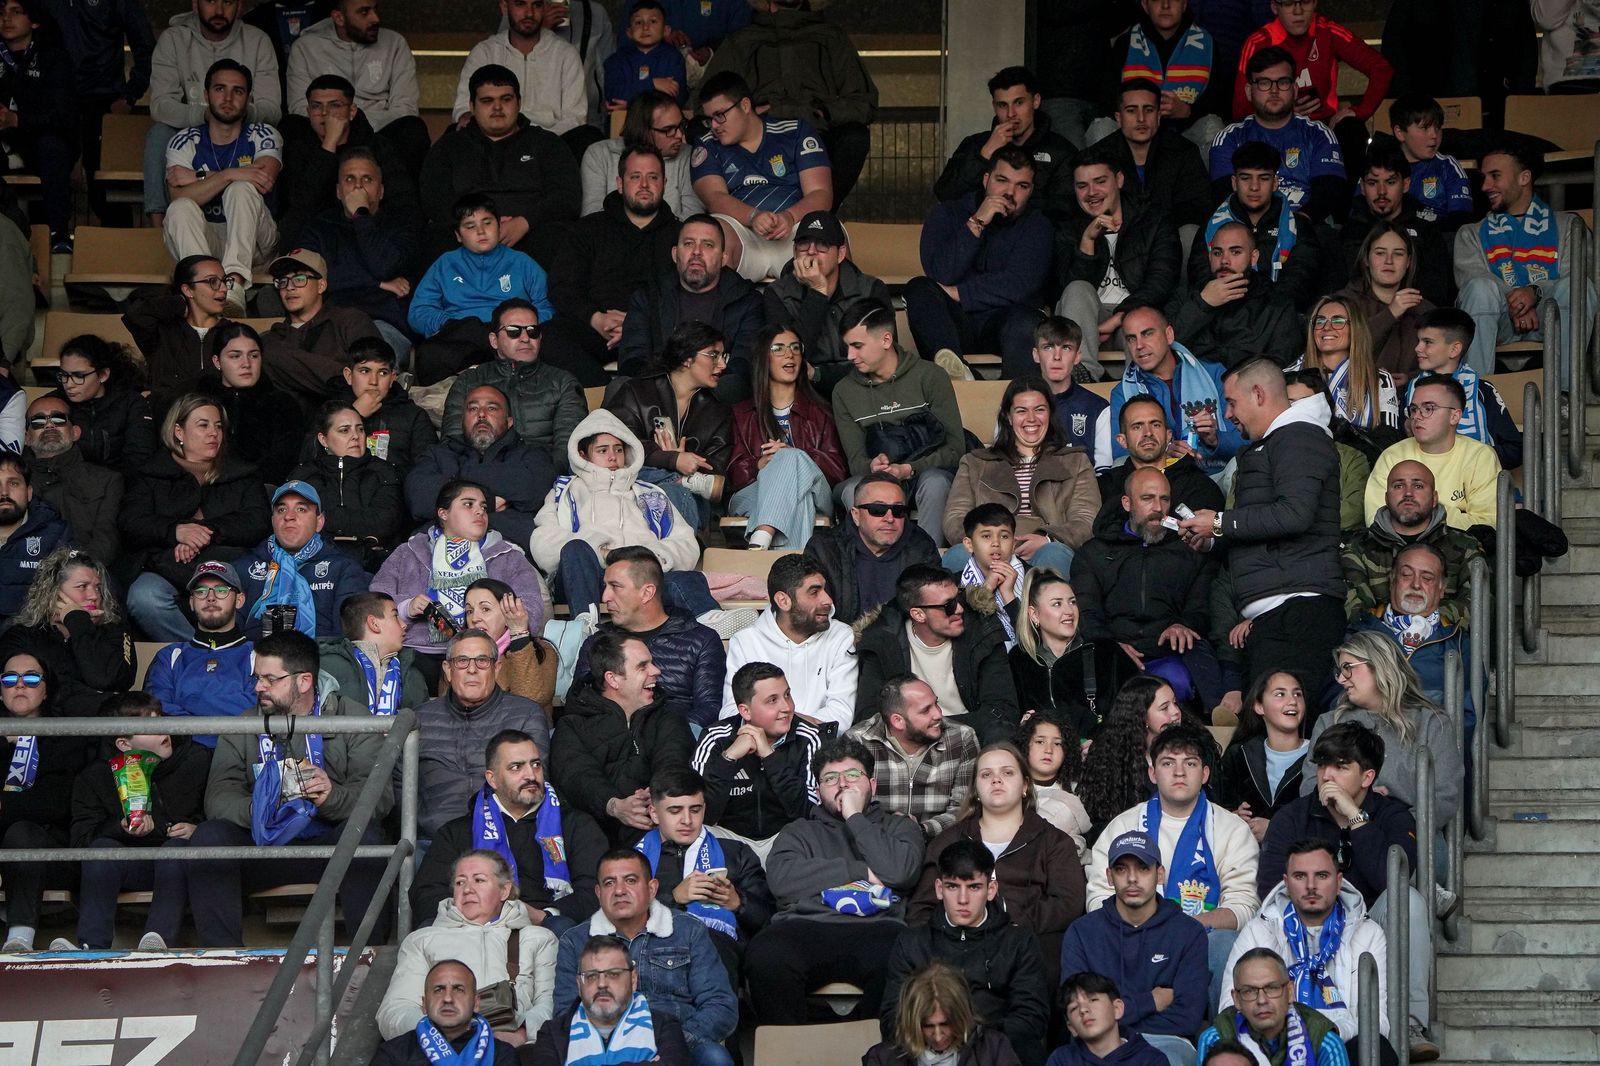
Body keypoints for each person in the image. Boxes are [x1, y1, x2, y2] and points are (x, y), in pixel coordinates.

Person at [182, 630, 391, 947]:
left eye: (270, 679)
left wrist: (331, 796)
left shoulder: (350, 716)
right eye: (257, 678)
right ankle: (224, 960)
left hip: (328, 844)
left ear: (304, 681)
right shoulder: (245, 722)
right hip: (263, 847)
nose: (258, 687)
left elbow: (381, 798)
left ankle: (368, 956)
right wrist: (257, 808)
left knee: (368, 837)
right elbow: (218, 797)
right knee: (209, 836)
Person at [1257, 722, 1436, 1060]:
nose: (1327, 775)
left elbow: (1390, 881)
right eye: (1323, 765)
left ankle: (1410, 1023)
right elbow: (1271, 887)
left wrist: (1356, 818)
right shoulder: (1292, 817)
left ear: (1367, 777)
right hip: (1306, 927)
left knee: (1409, 901)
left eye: (1340, 767)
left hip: (1369, 932)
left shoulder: (1393, 815)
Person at [1177, 358, 1344, 707]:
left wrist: (1221, 522)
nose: (1226, 414)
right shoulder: (1279, 441)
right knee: (1270, 728)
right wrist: (1212, 539)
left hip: (1298, 612)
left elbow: (1295, 515)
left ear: (1258, 394)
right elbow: (1265, 527)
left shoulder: (1299, 436)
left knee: (1283, 730)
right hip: (1277, 614)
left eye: (1232, 402)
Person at [745, 735, 926, 1025]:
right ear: (818, 791)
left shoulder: (899, 827)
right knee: (765, 955)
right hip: (806, 926)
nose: (843, 784)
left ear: (872, 785)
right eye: (831, 778)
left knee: (906, 955)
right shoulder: (798, 832)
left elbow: (901, 871)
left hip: (878, 928)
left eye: (853, 775)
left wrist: (855, 816)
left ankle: (878, 1055)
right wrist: (861, 873)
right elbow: (782, 880)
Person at [1087, 724, 1261, 1001]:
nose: (1179, 772)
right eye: (1168, 763)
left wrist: (1184, 929)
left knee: (1226, 943)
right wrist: (1144, 928)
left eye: (1190, 763)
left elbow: (1244, 906)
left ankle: (1222, 1039)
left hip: (1202, 939)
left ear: (1205, 774)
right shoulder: (1124, 825)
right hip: (1133, 937)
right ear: (1152, 773)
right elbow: (1099, 898)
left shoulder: (1232, 829)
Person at [911, 744, 1086, 981]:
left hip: (1027, 945)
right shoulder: (948, 841)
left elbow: (1068, 903)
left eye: (1007, 772)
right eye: (986, 775)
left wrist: (1010, 922)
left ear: (1025, 785)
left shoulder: (1054, 842)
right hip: (958, 946)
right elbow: (921, 909)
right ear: (976, 789)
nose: (996, 780)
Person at [553, 849, 739, 1066]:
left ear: (652, 889)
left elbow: (720, 1005)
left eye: (630, 880)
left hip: (682, 1041)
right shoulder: (576, 941)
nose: (620, 890)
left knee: (715, 1057)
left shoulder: (688, 931)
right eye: (609, 883)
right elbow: (565, 1014)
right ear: (598, 892)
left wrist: (674, 1043)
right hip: (605, 1048)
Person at [412, 729, 605, 933]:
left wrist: (546, 915)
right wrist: (475, 913)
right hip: (472, 930)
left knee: (567, 928)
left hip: (547, 927)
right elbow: (426, 893)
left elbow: (597, 890)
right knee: (428, 931)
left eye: (536, 764)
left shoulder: (576, 824)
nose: (531, 775)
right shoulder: (457, 832)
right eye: (516, 767)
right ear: (492, 779)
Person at [120, 394, 271, 642]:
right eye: (203, 425)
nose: (214, 433)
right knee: (144, 597)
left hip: (231, 564)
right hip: (166, 565)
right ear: (178, 431)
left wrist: (201, 532)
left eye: (218, 426)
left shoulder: (243, 473)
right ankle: (200, 651)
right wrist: (175, 531)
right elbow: (131, 522)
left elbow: (257, 521)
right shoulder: (150, 474)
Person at [529, 412, 707, 622]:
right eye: (602, 450)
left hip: (639, 579)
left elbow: (686, 543)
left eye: (619, 449)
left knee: (688, 579)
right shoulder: (564, 492)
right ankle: (587, 626)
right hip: (587, 580)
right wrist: (601, 552)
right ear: (583, 455)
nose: (613, 457)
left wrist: (647, 558)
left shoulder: (650, 493)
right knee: (574, 549)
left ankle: (711, 619)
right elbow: (543, 543)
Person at [66, 693, 210, 952]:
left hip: (179, 865)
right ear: (123, 743)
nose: (162, 730)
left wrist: (197, 829)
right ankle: (91, 947)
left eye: (160, 720)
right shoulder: (96, 776)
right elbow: (81, 840)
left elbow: (220, 819)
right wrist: (119, 827)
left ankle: (157, 942)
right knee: (102, 852)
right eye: (148, 727)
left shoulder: (197, 759)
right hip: (130, 866)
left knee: (175, 850)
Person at [892, 838, 1053, 1066]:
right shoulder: (912, 943)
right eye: (952, 886)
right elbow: (892, 1019)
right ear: (939, 889)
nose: (963, 899)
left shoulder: (1018, 942)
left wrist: (970, 1042)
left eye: (974, 887)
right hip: (926, 1053)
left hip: (997, 1056)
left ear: (991, 889)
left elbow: (1031, 1019)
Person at [1074, 467, 1221, 710]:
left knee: (1184, 680)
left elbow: (1202, 607)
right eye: (1147, 498)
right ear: (1126, 503)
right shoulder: (1094, 553)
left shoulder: (1189, 553)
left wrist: (1185, 625)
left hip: (1169, 655)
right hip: (1112, 656)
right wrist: (1110, 646)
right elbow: (1086, 612)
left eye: (1164, 499)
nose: (1157, 507)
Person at [1060, 829, 1211, 1066]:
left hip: (1166, 1042)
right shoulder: (1082, 932)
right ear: (1109, 877)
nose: (1132, 878)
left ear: (1159, 874)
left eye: (1143, 868)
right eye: (1121, 869)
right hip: (1095, 1046)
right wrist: (1150, 1001)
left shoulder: (1189, 932)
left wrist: (1108, 1017)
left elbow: (1187, 1017)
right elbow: (1077, 1012)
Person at [1222, 841, 1390, 1054]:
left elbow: (1378, 1023)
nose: (1311, 885)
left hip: (1342, 1041)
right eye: (1300, 876)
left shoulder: (1368, 933)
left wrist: (1327, 1032)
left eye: (1322, 875)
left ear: (1339, 882)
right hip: (1273, 1044)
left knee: (1379, 1049)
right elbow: (1230, 1007)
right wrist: (1285, 1034)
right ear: (1286, 883)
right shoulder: (1258, 931)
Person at [698, 5, 874, 208]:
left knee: (855, 137)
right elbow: (705, 101)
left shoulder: (830, 37)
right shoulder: (742, 40)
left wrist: (824, 111)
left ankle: (820, 217)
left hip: (817, 133)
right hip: (755, 137)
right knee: (700, 129)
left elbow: (864, 101)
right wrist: (745, 112)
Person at [369, 479, 546, 679]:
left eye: (483, 507)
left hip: (489, 658)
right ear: (443, 513)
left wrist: (493, 619)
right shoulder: (408, 552)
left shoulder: (508, 556)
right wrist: (406, 608)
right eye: (468, 504)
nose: (479, 511)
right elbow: (375, 603)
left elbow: (532, 609)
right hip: (415, 653)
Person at [378, 849, 557, 1047]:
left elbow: (550, 1003)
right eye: (460, 882)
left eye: (479, 880)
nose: (467, 889)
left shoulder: (538, 938)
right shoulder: (422, 940)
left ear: (504, 890)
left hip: (515, 1049)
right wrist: (440, 1036)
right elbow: (395, 1010)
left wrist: (523, 1034)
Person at [905, 147, 1052, 379]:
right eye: (1002, 180)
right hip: (955, 323)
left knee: (1028, 322)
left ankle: (1013, 402)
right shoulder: (947, 213)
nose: (1009, 192)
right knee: (918, 288)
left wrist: (959, 292)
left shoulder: (1038, 225)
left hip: (1006, 322)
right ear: (986, 179)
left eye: (1021, 186)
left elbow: (1019, 284)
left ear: (1031, 190)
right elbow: (941, 272)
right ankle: (955, 373)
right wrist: (977, 222)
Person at [1455, 140, 1594, 380]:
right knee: (1479, 289)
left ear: (1524, 177)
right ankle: (1475, 398)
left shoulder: (1570, 226)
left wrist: (1535, 292)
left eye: (1495, 176)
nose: (1486, 186)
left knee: (1578, 287)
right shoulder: (1470, 233)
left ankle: (1565, 398)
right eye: (1484, 177)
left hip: (1551, 316)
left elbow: (1577, 277)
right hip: (1498, 320)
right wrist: (1520, 298)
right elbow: (1474, 279)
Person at [548, 144, 681, 388]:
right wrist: (594, 318)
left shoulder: (680, 235)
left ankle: (631, 401)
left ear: (664, 183)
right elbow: (561, 285)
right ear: (620, 183)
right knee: (547, 337)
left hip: (654, 332)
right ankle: (607, 399)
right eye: (635, 177)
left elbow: (685, 294)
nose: (644, 185)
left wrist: (639, 324)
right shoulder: (589, 229)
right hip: (597, 328)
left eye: (652, 177)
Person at [421, 64, 581, 267]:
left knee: (562, 237)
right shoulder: (449, 147)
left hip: (532, 236)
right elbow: (433, 200)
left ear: (519, 103)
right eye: (487, 101)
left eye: (506, 99)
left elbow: (568, 197)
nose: (497, 107)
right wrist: (480, 226)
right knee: (434, 236)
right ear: (471, 106)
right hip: (468, 237)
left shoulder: (547, 143)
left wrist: (524, 222)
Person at [832, 301, 964, 545]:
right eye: (847, 346)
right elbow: (854, 461)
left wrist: (909, 469)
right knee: (853, 490)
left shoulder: (930, 376)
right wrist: (871, 466)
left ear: (885, 340)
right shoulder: (844, 391)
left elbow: (955, 449)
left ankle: (926, 567)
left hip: (925, 475)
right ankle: (865, 568)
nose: (850, 356)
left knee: (935, 483)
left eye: (857, 346)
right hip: (877, 481)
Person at [1305, 631, 1462, 831]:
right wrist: (1351, 821)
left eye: (1348, 668)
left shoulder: (1431, 723)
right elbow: (1310, 787)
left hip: (1412, 834)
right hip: (1339, 829)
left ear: (1379, 665)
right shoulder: (1329, 722)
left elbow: (1445, 797)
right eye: (1339, 671)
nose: (1341, 680)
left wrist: (1394, 828)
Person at [162, 59, 282, 316]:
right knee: (180, 208)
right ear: (206, 94)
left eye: (237, 91)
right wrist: (230, 173)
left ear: (248, 98)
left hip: (256, 241)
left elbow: (262, 179)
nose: (228, 97)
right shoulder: (184, 140)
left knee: (241, 189)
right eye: (220, 89)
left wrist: (200, 176)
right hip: (206, 239)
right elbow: (178, 195)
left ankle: (234, 285)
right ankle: (205, 289)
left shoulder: (263, 133)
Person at [551, 633, 696, 845]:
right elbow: (576, 775)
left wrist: (653, 796)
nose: (657, 671)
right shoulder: (572, 725)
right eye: (642, 666)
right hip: (592, 839)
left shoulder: (669, 718)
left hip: (657, 831)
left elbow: (673, 761)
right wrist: (614, 805)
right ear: (613, 679)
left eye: (652, 663)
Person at [143, 0, 281, 224]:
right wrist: (204, 115)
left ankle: (268, 225)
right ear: (195, 4)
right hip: (190, 131)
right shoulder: (174, 39)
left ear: (239, 6)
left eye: (227, 2)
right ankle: (158, 229)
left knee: (274, 133)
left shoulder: (258, 40)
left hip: (240, 127)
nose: (218, 10)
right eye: (210, 1)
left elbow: (272, 109)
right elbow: (160, 106)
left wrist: (233, 112)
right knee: (159, 134)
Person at [945, 376, 1101, 574]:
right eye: (1021, 411)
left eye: (1039, 410)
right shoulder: (975, 462)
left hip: (1045, 549)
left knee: (1054, 554)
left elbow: (1086, 520)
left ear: (1050, 414)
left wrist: (1047, 538)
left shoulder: (1076, 461)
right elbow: (954, 519)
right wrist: (991, 542)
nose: (1031, 419)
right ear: (1008, 417)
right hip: (988, 550)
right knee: (958, 555)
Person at [855, 564, 1021, 747]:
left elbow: (1003, 710)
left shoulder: (982, 630)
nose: (959, 609)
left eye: (959, 598)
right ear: (918, 614)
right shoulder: (883, 641)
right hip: (907, 749)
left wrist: (929, 728)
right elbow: (868, 716)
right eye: (948, 606)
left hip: (972, 741)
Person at [634, 767, 775, 979]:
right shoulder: (631, 860)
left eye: (695, 809)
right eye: (675, 811)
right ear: (654, 813)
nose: (687, 820)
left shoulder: (736, 853)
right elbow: (614, 919)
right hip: (650, 955)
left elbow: (770, 920)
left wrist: (739, 903)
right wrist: (674, 898)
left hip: (718, 955)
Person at [1055, 148, 1181, 382]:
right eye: (1082, 186)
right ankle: (1082, 376)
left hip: (1133, 315)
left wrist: (1121, 316)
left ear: (1119, 180)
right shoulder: (1068, 227)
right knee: (1077, 289)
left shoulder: (1153, 220)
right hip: (1087, 323)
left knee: (1140, 320)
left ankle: (1142, 391)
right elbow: (1066, 288)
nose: (1091, 192)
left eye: (1100, 181)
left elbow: (1161, 282)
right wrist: (1088, 241)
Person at [572, 548, 730, 734]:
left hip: (677, 743)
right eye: (605, 587)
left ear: (647, 593)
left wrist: (660, 735)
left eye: (615, 586)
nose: (605, 597)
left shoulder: (701, 640)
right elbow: (580, 705)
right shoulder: (597, 643)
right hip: (610, 744)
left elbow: (710, 708)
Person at [408, 194, 557, 387]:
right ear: (458, 235)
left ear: (498, 225)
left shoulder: (520, 261)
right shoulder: (445, 264)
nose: (481, 231)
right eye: (470, 226)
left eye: (487, 223)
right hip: (461, 337)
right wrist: (451, 324)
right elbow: (418, 311)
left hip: (511, 337)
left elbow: (548, 305)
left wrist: (521, 327)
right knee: (429, 354)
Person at [1231, 0, 1392, 176]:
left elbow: (1381, 68)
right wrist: (1280, 110)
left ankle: (1347, 200)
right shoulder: (1259, 42)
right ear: (1274, 7)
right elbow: (1239, 110)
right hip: (1272, 126)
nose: (1298, 10)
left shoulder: (1327, 31)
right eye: (1288, 3)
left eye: (1305, 2)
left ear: (1315, 3)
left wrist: (1361, 111)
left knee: (1352, 130)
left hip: (1324, 124)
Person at [0, 654, 95, 952]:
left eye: (30, 678)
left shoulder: (65, 737)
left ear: (45, 689)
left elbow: (54, 806)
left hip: (50, 850)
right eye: (9, 679)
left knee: (22, 833)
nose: (19, 685)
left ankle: (19, 939)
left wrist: (6, 807)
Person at [416, 629, 551, 838]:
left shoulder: (526, 715)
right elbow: (401, 788)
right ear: (448, 670)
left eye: (482, 661)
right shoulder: (420, 719)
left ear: (496, 668)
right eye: (462, 661)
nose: (472, 669)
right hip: (432, 840)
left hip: (507, 840)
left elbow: (533, 785)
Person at [725, 323, 847, 550]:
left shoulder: (820, 412)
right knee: (799, 504)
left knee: (790, 459)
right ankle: (790, 573)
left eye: (795, 348)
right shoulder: (742, 413)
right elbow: (731, 472)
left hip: (815, 490)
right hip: (754, 491)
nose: (789, 354)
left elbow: (837, 470)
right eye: (778, 348)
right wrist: (758, 464)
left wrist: (795, 457)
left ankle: (761, 537)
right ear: (763, 358)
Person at [617, 213, 761, 398]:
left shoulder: (746, 300)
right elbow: (632, 361)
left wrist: (697, 396)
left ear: (724, 258)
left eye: (708, 245)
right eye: (688, 243)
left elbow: (743, 367)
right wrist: (674, 390)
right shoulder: (649, 296)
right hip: (657, 398)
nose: (696, 252)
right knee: (619, 387)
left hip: (717, 402)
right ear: (675, 254)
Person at [606, 320, 733, 528]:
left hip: (690, 500)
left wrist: (682, 463)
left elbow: (718, 473)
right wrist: (671, 459)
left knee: (676, 491)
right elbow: (618, 446)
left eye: (723, 356)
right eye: (713, 355)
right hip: (632, 488)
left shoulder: (718, 412)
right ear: (686, 359)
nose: (723, 365)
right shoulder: (636, 392)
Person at [293, 146, 418, 359]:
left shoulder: (401, 225)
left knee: (371, 362)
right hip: (329, 321)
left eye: (367, 179)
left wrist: (361, 216)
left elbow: (384, 265)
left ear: (381, 190)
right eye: (350, 179)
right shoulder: (319, 227)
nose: (358, 186)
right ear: (338, 191)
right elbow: (306, 279)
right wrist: (377, 283)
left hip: (382, 322)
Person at [441, 298, 587, 474]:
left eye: (533, 331)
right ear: (494, 340)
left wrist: (531, 483)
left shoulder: (563, 382)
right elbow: (452, 445)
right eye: (513, 331)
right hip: (478, 480)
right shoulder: (469, 381)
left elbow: (568, 450)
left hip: (543, 482)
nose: (525, 338)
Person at [276, 73, 419, 253]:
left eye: (335, 105)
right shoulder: (299, 148)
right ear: (308, 112)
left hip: (368, 227)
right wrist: (329, 145)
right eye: (316, 106)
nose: (325, 114)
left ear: (352, 111)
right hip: (320, 232)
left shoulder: (377, 146)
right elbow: (301, 204)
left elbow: (403, 200)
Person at [716, 554, 857, 734]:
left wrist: (777, 724)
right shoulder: (746, 641)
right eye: (814, 592)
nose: (827, 600)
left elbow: (841, 716)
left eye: (824, 589)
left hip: (821, 750)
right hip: (762, 749)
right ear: (783, 601)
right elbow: (731, 712)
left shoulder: (841, 636)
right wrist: (798, 724)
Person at [407, 385, 556, 551]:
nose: (481, 414)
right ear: (463, 420)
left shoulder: (532, 455)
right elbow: (419, 500)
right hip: (439, 551)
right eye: (473, 408)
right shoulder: (438, 454)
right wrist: (489, 502)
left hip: (509, 550)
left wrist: (456, 481)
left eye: (492, 408)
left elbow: (535, 492)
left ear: (509, 422)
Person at [697, 661, 822, 860]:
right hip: (728, 840)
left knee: (815, 833)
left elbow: (810, 812)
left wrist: (769, 756)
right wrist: (729, 758)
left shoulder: (809, 737)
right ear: (745, 711)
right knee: (694, 834)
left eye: (787, 695)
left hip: (786, 841)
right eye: (772, 700)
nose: (787, 707)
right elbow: (700, 812)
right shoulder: (716, 737)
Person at [759, 210, 892, 396]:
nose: (811, 251)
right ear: (794, 251)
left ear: (840, 254)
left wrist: (820, 375)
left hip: (866, 392)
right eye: (804, 244)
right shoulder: (777, 294)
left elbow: (884, 360)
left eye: (823, 245)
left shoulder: (870, 290)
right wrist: (817, 293)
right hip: (805, 395)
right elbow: (788, 360)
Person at [284, 0, 426, 171]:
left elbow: (406, 108)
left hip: (378, 132)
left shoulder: (395, 43)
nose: (375, 18)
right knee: (291, 125)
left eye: (375, 9)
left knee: (413, 129)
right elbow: (299, 107)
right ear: (339, 18)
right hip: (323, 132)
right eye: (364, 12)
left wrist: (355, 126)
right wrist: (336, 127)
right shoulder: (306, 47)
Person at [1209, 47, 1346, 224]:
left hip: (1306, 226)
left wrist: (1290, 228)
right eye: (1264, 83)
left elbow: (1328, 195)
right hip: (1246, 228)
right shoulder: (1229, 138)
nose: (1274, 91)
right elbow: (1224, 196)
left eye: (1283, 82)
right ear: (1249, 91)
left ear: (1295, 89)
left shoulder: (1319, 134)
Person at [1010, 570, 1139, 754]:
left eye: (1072, 602)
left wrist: (1103, 741)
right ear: (1034, 614)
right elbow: (1006, 714)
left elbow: (1135, 709)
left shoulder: (1105, 651)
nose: (1069, 611)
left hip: (1104, 756)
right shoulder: (1019, 660)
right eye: (1057, 604)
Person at [50, 0, 156, 227]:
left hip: (104, 103)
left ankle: (121, 254)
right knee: (47, 183)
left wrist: (130, 95)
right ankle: (48, 252)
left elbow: (146, 46)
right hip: (54, 102)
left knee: (105, 192)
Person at [1342, 459, 1485, 623]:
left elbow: (1479, 606)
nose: (1408, 493)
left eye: (1418, 486)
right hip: (1377, 644)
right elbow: (1354, 611)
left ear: (1434, 498)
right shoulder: (1359, 547)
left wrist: (1424, 626)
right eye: (1398, 486)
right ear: (1387, 498)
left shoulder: (1465, 546)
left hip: (1447, 644)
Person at [1109, 305, 1244, 477]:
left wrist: (1214, 439)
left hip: (1213, 474)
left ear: (1169, 335)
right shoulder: (1122, 392)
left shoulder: (1214, 374)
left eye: (1147, 333)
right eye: (1131, 339)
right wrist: (1162, 452)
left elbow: (1246, 438)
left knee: (1237, 466)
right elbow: (1122, 451)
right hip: (1158, 481)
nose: (1139, 345)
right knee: (1119, 466)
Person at [0, 547, 135, 716]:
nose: (94, 595)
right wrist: (94, 695)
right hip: (44, 735)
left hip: (101, 733)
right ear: (53, 594)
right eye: (82, 586)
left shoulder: (114, 630)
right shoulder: (23, 636)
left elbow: (108, 679)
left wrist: (77, 622)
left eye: (98, 588)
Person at [935, 66, 1075, 225]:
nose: (1011, 114)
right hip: (980, 238)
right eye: (1003, 105)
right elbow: (946, 194)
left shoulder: (1060, 150)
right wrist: (985, 154)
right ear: (994, 106)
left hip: (1034, 240)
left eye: (1019, 103)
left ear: (1035, 101)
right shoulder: (976, 144)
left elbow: (1064, 211)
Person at [846, 673, 981, 838]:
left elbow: (964, 808)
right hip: (876, 840)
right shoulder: (858, 740)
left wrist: (922, 830)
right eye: (926, 710)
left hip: (939, 841)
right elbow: (850, 805)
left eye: (936, 703)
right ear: (898, 721)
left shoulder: (961, 738)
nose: (938, 714)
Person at [1349, 544, 1474, 719]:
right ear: (1392, 580)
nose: (1416, 584)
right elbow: (1335, 703)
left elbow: (1468, 716)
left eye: (1427, 578)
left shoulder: (1459, 644)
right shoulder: (1358, 634)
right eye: (1406, 575)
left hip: (1432, 742)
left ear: (1441, 589)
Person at [530, 933, 694, 1066]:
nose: (602, 984)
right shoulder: (552, 1033)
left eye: (613, 974)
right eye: (592, 976)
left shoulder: (665, 1026)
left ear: (633, 980)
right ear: (579, 985)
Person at [235, 480, 369, 641]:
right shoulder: (245, 566)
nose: (289, 516)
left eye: (301, 509)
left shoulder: (343, 568)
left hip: (322, 661)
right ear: (272, 520)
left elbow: (349, 640)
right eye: (281, 509)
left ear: (319, 522)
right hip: (255, 660)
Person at [1363, 375, 1500, 532]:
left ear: (1455, 416)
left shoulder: (1480, 456)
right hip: (1397, 549)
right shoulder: (1392, 456)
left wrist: (1418, 513)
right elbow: (1376, 521)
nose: (1417, 416)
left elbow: (1488, 525)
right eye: (1414, 409)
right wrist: (1457, 515)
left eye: (1428, 409)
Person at [143, 560, 255, 747]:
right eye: (201, 591)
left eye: (221, 590)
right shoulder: (170, 656)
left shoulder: (259, 654)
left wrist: (186, 702)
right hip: (184, 755)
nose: (210, 598)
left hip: (239, 756)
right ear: (192, 602)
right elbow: (156, 710)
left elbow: (255, 711)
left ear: (239, 600)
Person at [451, 0, 589, 151]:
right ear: (504, 7)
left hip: (550, 144)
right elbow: (464, 107)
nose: (529, 13)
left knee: (586, 136)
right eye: (520, 4)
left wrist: (536, 141)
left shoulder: (565, 53)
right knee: (454, 134)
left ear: (544, 8)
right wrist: (466, 116)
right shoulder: (485, 52)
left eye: (536, 5)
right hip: (494, 141)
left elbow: (575, 118)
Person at [805, 471, 939, 625]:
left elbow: (933, 613)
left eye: (898, 511)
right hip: (839, 643)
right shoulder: (824, 548)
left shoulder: (922, 547)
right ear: (856, 515)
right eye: (877, 509)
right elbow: (811, 613)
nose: (889, 519)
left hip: (903, 644)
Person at [259, 247, 383, 409]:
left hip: (350, 420)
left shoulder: (350, 321)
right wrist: (342, 378)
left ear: (321, 285)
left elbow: (374, 378)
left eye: (299, 278)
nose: (289, 287)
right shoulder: (271, 340)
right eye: (283, 281)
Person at [1168, 220, 1302, 367]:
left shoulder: (1277, 304)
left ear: (1253, 257)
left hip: (1249, 386)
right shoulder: (1186, 296)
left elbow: (1281, 366)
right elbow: (1161, 348)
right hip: (1191, 385)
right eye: (1217, 252)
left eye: (1235, 252)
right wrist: (1202, 304)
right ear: (1210, 257)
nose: (1224, 260)